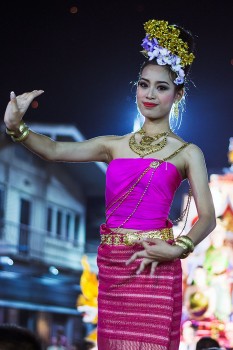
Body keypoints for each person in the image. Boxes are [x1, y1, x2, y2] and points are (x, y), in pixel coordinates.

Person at [3, 19, 216, 350]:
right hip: (114, 266)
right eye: (144, 84)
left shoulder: (189, 153)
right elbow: (55, 150)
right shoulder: (113, 145)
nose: (150, 94)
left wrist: (178, 248)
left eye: (161, 87)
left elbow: (207, 217)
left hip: (154, 262)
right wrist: (17, 129)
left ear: (178, 94)